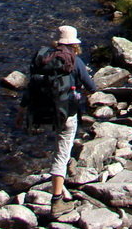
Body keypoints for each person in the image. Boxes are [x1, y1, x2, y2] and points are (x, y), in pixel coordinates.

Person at [15, 25, 97, 218]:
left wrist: (21, 111)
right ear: (74, 44)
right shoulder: (75, 61)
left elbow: (30, 87)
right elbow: (91, 87)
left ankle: (60, 173)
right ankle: (57, 201)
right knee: (61, 152)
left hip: (42, 112)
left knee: (58, 145)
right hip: (66, 114)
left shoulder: (42, 59)